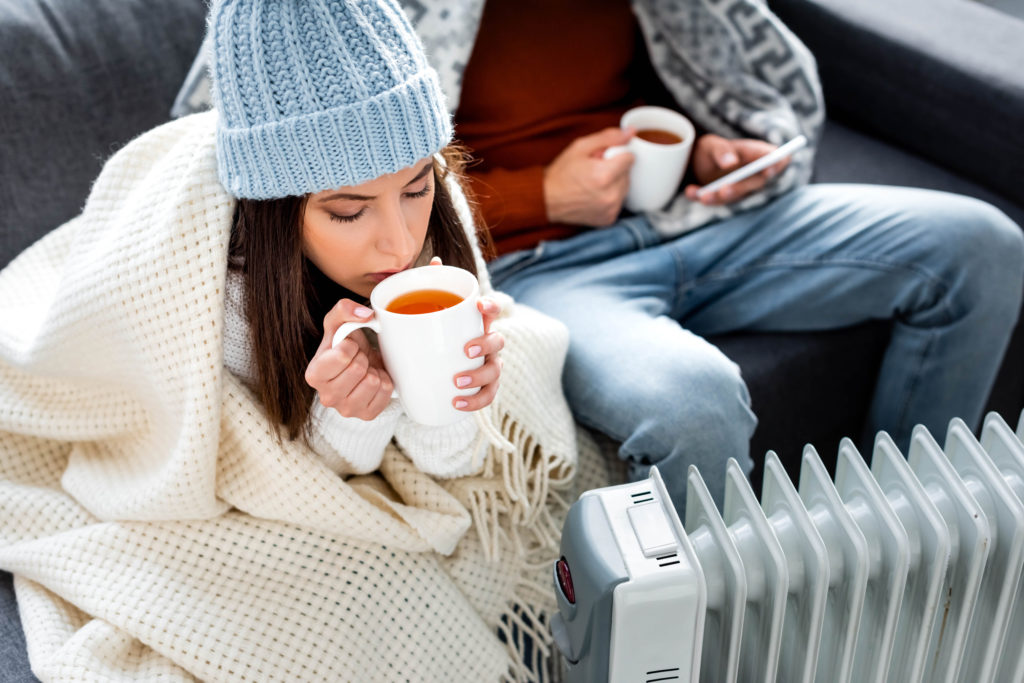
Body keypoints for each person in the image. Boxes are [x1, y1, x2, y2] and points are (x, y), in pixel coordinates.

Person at [0, 0, 585, 680]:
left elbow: (451, 471)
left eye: (415, 188)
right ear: (279, 211)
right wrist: (350, 409)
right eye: (347, 210)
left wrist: (446, 399)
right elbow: (259, 472)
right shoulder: (220, 287)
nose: (398, 242)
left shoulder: (433, 218)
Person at [406, 0, 1024, 508]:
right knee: (694, 405)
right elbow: (373, 202)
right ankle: (710, 632)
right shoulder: (402, 23)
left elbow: (675, 76)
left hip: (687, 218)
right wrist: (544, 194)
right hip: (537, 266)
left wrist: (707, 151)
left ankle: (897, 536)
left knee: (982, 247)